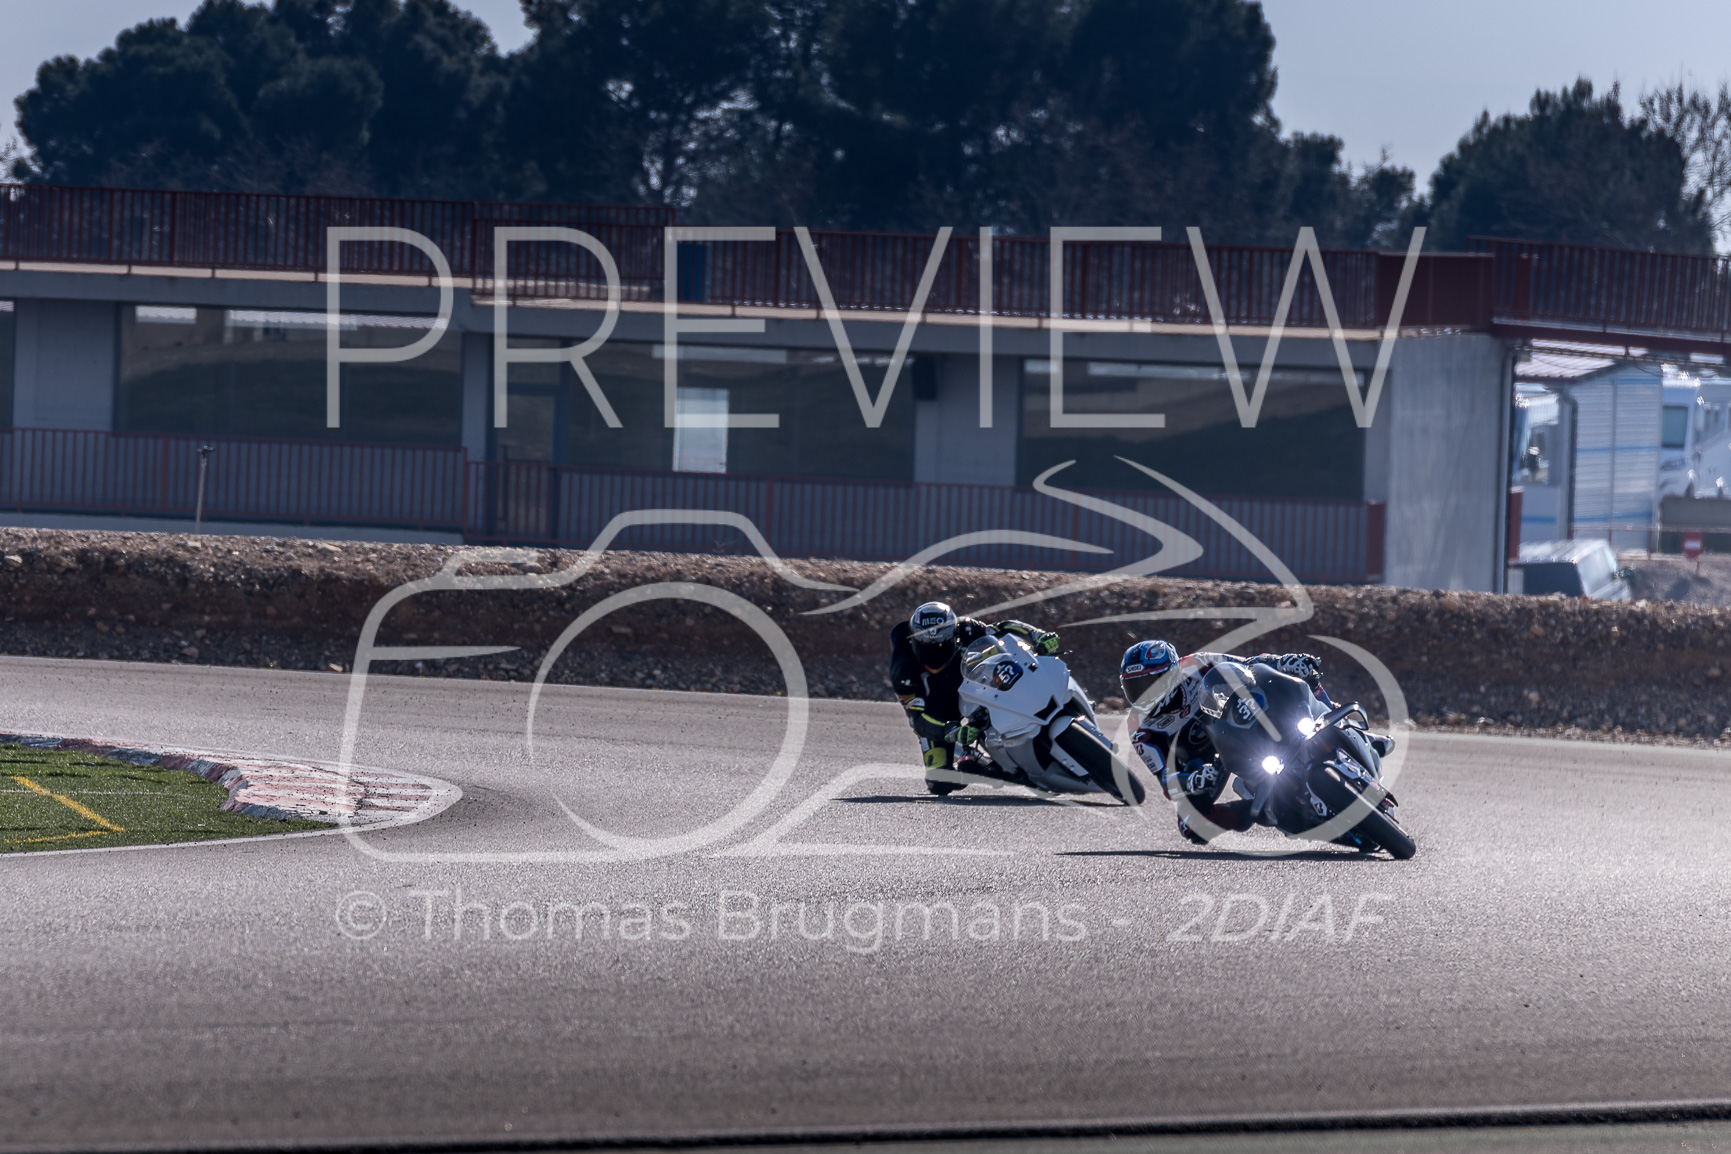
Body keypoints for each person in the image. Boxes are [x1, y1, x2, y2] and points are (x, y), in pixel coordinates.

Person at [1119, 640, 1394, 844]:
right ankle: (1260, 810)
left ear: (1171, 673)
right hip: (1203, 764)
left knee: (1302, 677)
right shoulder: (1139, 727)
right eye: (1133, 688)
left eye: (1148, 684)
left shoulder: (1197, 664)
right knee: (1192, 826)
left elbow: (1249, 665)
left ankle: (1347, 727)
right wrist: (1193, 780)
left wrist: (1284, 662)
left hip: (1232, 726)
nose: (1142, 696)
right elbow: (1166, 781)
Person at [890, 601, 1060, 795]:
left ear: (954, 636)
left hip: (978, 691)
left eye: (942, 645)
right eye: (926, 647)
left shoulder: (966, 629)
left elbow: (1003, 628)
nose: (935, 653)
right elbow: (918, 719)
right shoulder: (902, 669)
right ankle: (981, 765)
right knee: (939, 782)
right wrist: (950, 731)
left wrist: (1036, 634)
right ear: (913, 640)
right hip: (938, 712)